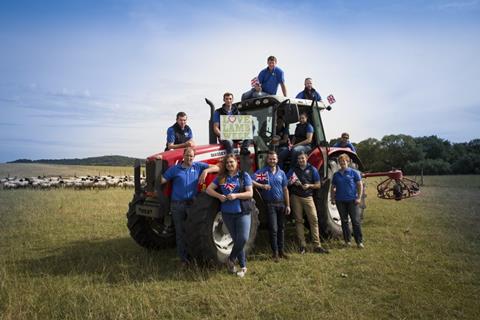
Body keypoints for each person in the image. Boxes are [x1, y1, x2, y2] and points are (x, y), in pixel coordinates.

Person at [161, 148, 219, 266]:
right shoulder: (175, 169)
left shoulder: (197, 166)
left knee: (193, 230)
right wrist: (155, 167)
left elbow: (218, 167)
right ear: (183, 155)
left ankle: (193, 256)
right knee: (180, 232)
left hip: (192, 204)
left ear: (194, 157)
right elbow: (162, 180)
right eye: (187, 156)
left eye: (192, 156)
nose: (189, 158)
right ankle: (184, 260)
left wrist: (206, 171)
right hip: (178, 205)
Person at [206, 154, 253, 277]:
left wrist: (236, 195)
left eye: (231, 162)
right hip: (227, 213)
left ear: (236, 163)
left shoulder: (243, 176)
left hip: (242, 212)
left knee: (242, 238)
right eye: (227, 163)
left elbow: (250, 193)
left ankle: (231, 259)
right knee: (237, 240)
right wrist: (219, 196)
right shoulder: (221, 177)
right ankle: (243, 267)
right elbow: (208, 189)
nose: (229, 165)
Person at [251, 151, 290, 262]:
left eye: (274, 159)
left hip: (281, 203)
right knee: (273, 229)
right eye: (270, 159)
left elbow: (285, 189)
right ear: (267, 160)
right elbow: (250, 181)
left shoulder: (281, 173)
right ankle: (275, 253)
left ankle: (282, 251)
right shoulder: (262, 173)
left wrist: (288, 205)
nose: (272, 161)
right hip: (270, 204)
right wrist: (262, 185)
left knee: (281, 228)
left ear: (277, 160)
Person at [286, 152, 328, 254]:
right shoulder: (293, 170)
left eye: (302, 158)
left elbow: (318, 185)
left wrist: (309, 186)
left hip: (308, 197)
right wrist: (291, 182)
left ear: (306, 159)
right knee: (299, 221)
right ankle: (302, 245)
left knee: (314, 220)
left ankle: (317, 245)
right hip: (295, 197)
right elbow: (286, 182)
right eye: (299, 159)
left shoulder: (312, 169)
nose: (301, 160)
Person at [330, 153, 364, 248]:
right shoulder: (336, 175)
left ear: (348, 162)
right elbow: (333, 187)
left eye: (344, 161)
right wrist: (332, 198)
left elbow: (359, 185)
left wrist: (359, 197)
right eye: (340, 162)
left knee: (355, 221)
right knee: (344, 221)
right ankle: (347, 241)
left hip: (352, 200)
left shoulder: (354, 173)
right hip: (340, 201)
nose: (342, 163)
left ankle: (359, 242)